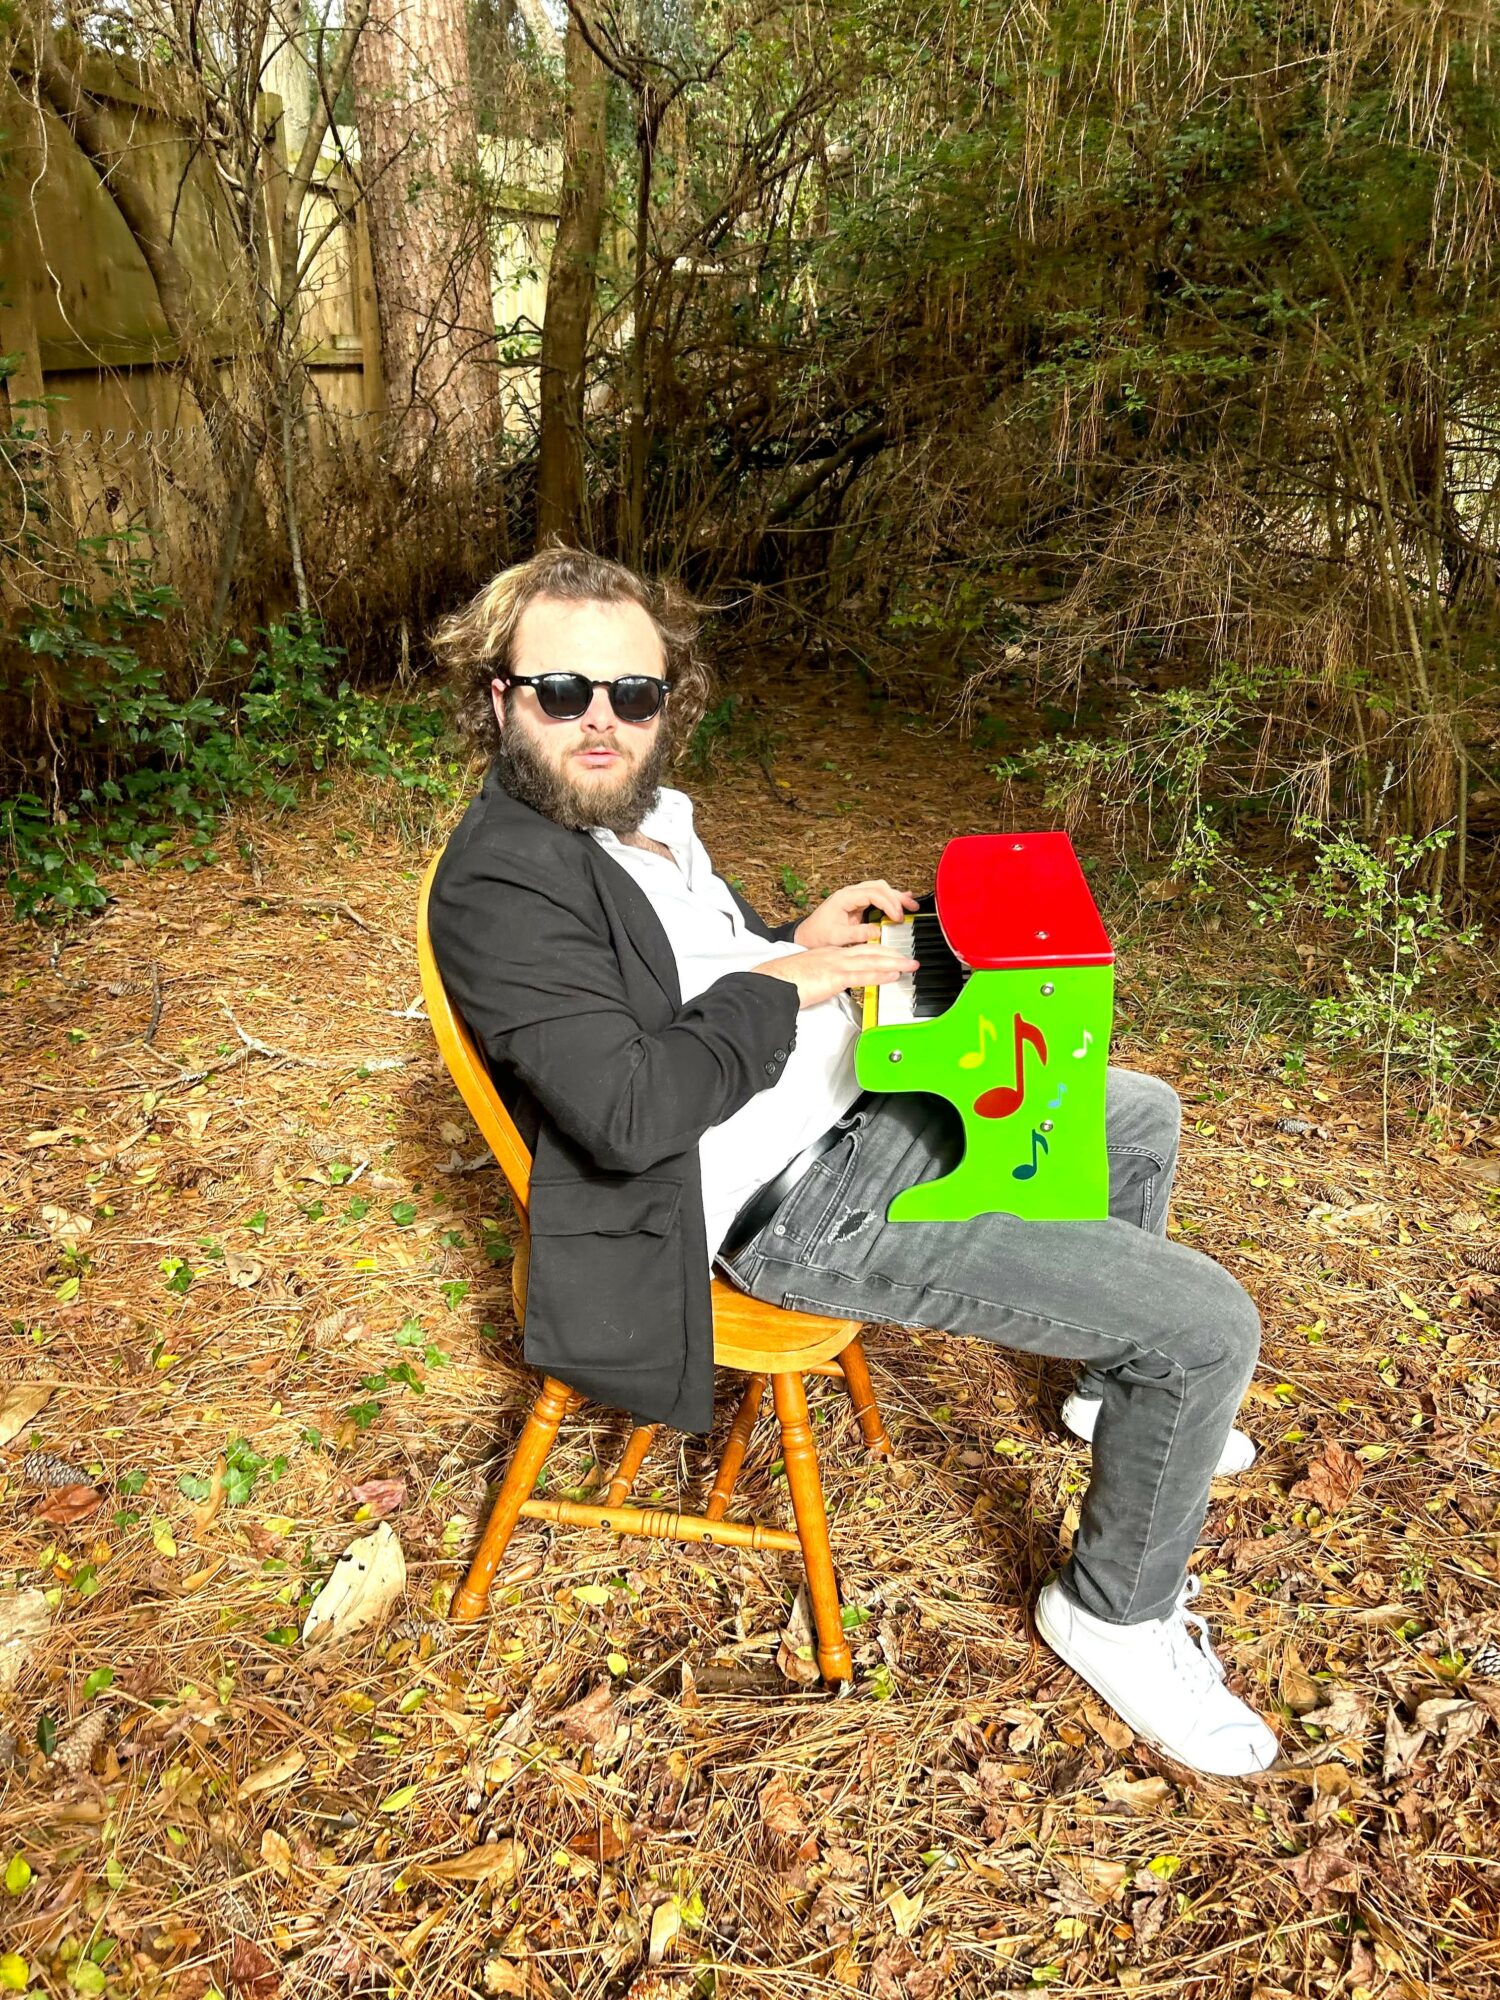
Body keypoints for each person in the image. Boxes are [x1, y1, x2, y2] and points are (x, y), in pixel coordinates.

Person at [427, 547, 1278, 1777]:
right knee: (1205, 1323)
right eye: (563, 691)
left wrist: (790, 938)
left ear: (672, 699)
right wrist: (788, 983)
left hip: (848, 1106)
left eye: (635, 693)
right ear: (500, 695)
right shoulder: (504, 880)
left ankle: (1109, 1391)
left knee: (1132, 1110)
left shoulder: (644, 819)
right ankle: (1115, 1608)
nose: (601, 721)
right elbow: (625, 1106)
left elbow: (688, 977)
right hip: (798, 1207)